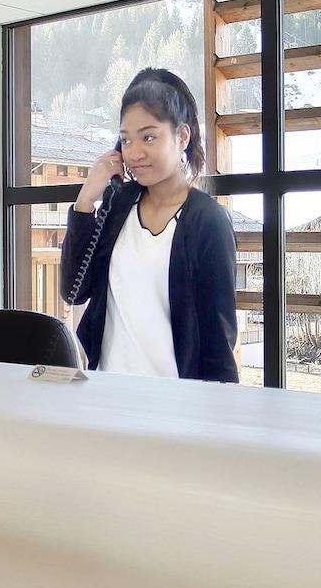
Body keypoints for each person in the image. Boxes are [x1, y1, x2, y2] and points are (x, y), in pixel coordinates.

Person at [60, 67, 239, 382]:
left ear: (182, 137)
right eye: (126, 140)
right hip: (105, 390)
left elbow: (217, 340)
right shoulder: (119, 205)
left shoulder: (207, 220)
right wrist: (86, 199)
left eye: (149, 137)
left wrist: (220, 406)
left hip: (175, 400)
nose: (135, 152)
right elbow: (73, 291)